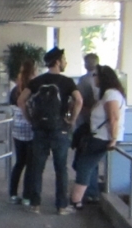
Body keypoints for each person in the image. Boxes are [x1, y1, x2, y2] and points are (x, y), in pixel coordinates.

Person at [17, 47, 83, 215]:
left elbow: (21, 101)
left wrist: (30, 119)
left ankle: (35, 204)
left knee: (37, 167)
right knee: (61, 168)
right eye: (64, 59)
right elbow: (79, 101)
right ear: (58, 62)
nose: (66, 62)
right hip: (59, 129)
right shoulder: (67, 82)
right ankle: (61, 206)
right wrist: (71, 120)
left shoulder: (36, 81)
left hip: (40, 129)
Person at [67, 66, 126, 212]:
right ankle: (84, 196)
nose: (93, 78)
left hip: (102, 138)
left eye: (95, 75)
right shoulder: (107, 94)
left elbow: (114, 118)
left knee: (84, 166)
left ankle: (76, 201)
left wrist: (113, 139)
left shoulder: (111, 94)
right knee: (84, 165)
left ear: (103, 77)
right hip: (99, 136)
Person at [8, 59, 36, 205]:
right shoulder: (33, 89)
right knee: (31, 164)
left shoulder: (15, 89)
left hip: (17, 130)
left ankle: (12, 193)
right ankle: (27, 196)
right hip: (30, 130)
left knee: (19, 162)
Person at [75, 53, 101, 202]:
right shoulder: (105, 81)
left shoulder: (84, 81)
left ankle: (88, 191)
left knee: (84, 160)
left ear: (85, 64)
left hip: (86, 125)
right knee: (93, 161)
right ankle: (91, 190)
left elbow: (79, 102)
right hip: (100, 127)